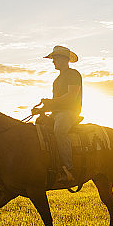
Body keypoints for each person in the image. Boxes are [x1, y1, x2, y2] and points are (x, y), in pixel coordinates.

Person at [32, 45, 82, 184]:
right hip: (57, 113)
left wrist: (49, 102)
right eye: (53, 59)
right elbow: (56, 104)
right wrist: (42, 110)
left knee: (59, 131)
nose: (53, 61)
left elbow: (71, 97)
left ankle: (69, 170)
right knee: (37, 129)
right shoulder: (57, 80)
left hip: (69, 112)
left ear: (64, 59)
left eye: (55, 58)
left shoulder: (73, 74)